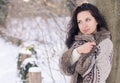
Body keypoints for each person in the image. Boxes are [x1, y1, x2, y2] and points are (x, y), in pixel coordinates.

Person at [60, 3, 113, 83]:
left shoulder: (105, 43)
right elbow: (63, 69)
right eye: (80, 22)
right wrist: (78, 51)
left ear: (96, 20)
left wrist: (81, 62)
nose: (84, 25)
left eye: (87, 20)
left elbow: (98, 78)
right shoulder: (74, 41)